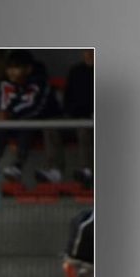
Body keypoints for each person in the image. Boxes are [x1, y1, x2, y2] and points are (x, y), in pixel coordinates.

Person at [0, 49, 64, 184]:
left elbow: (36, 108)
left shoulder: (40, 83)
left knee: (25, 125)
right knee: (3, 127)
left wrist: (11, 115)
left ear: (28, 69)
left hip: (40, 123)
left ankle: (17, 165)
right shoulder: (6, 84)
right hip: (15, 123)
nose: (11, 72)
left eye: (16, 67)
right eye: (9, 68)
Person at [63, 49, 94, 187]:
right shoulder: (75, 71)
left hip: (94, 121)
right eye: (86, 51)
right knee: (50, 127)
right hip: (75, 117)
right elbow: (67, 99)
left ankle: (86, 170)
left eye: (92, 51)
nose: (89, 54)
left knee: (83, 129)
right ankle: (54, 170)